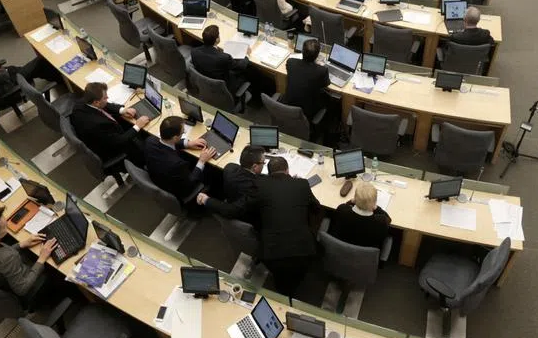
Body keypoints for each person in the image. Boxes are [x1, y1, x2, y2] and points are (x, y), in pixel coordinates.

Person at [198, 156, 319, 297]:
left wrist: (208, 200)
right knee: (296, 279)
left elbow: (233, 210)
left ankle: (283, 293)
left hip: (272, 254)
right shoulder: (302, 184)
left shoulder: (259, 185)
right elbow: (316, 209)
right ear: (287, 170)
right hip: (304, 251)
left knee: (281, 283)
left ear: (268, 172)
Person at [69, 82, 149, 171]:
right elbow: (120, 141)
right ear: (96, 102)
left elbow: (105, 105)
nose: (108, 98)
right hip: (113, 150)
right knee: (148, 143)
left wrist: (122, 110)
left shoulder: (81, 103)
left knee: (125, 121)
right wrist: (138, 126)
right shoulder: (97, 125)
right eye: (105, 98)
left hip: (107, 134)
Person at [143, 116, 215, 203]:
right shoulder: (177, 164)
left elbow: (166, 143)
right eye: (182, 132)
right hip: (182, 189)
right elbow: (190, 182)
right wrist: (202, 161)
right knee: (212, 170)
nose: (184, 132)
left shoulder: (150, 141)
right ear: (175, 138)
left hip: (161, 176)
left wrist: (188, 143)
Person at [329, 180, 391, 250]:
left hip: (339, 252)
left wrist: (352, 201)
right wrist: (375, 207)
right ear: (374, 203)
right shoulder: (381, 222)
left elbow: (347, 205)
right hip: (366, 258)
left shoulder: (342, 210)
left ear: (355, 199)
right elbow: (388, 219)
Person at [282, 37, 329, 122]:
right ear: (317, 55)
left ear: (302, 51)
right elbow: (325, 84)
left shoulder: (290, 62)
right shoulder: (322, 70)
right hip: (307, 111)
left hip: (288, 105)